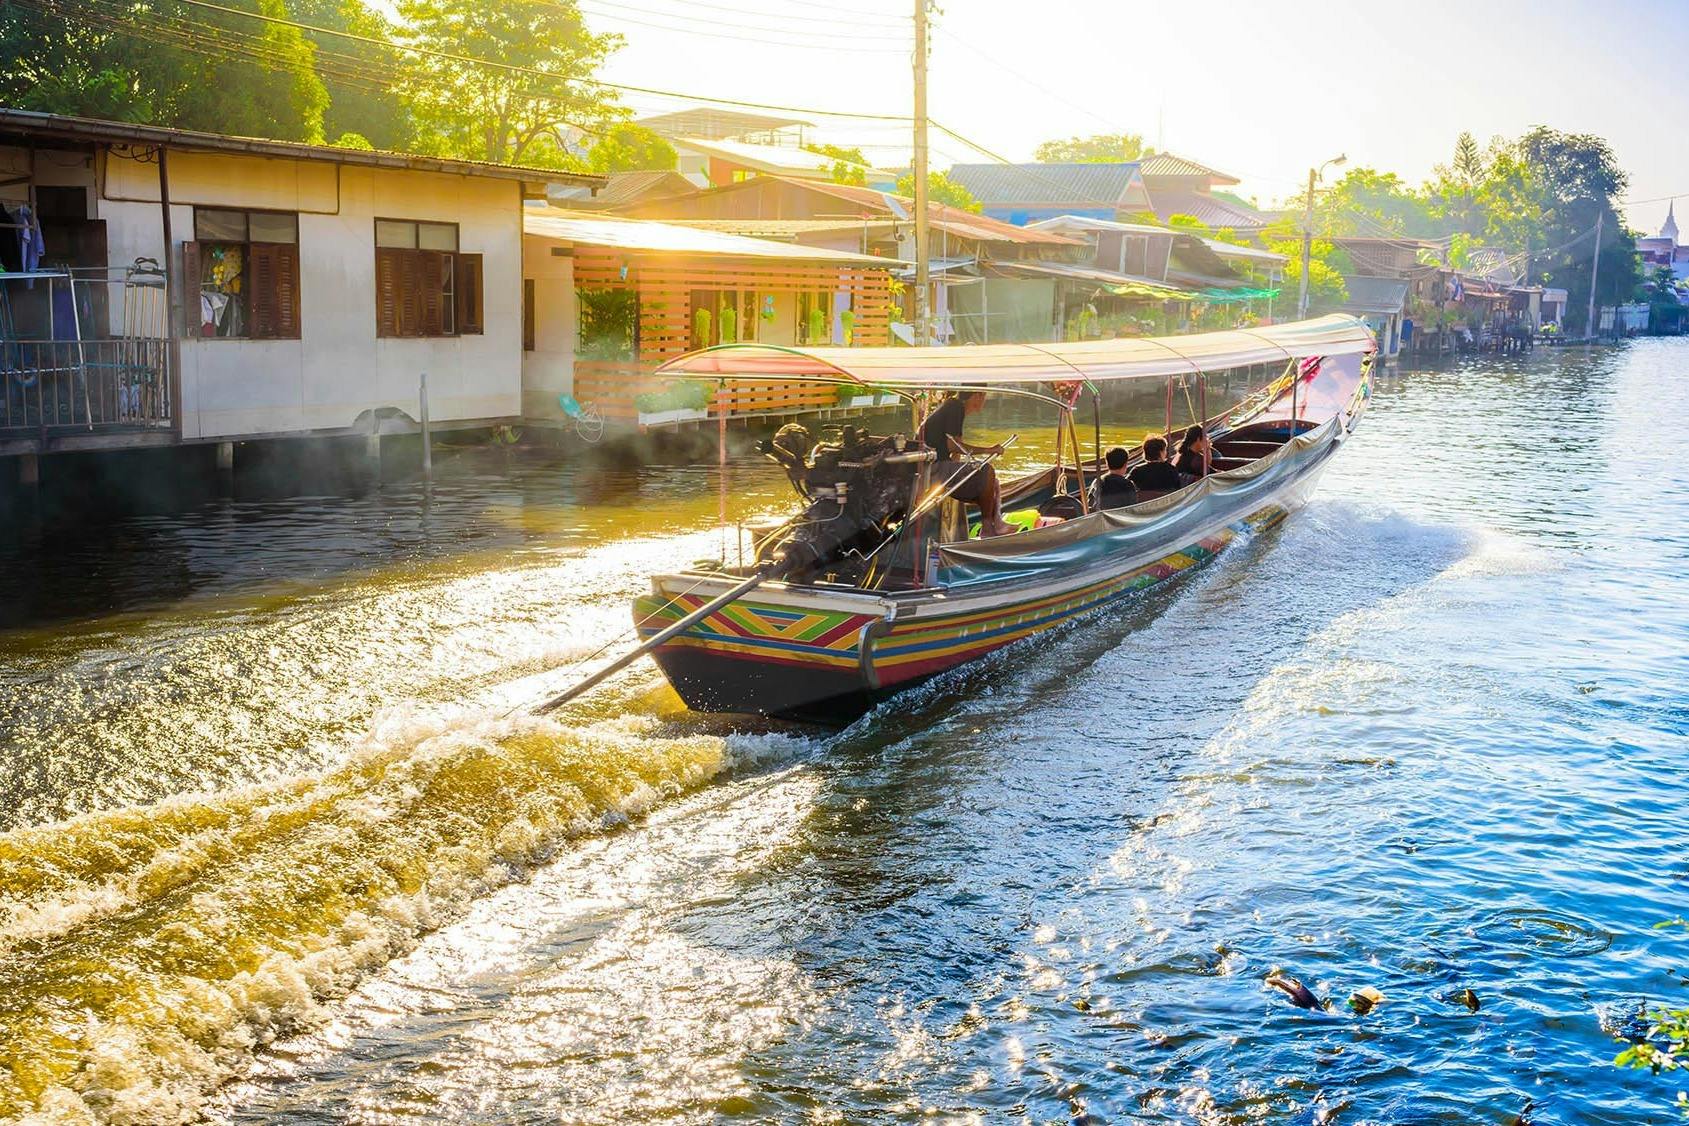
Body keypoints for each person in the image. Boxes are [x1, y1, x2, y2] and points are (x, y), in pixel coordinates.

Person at [921, 390, 1015, 538]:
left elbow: (956, 450)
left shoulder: (954, 407)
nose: (984, 401)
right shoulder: (955, 407)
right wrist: (988, 450)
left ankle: (997, 522)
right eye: (984, 396)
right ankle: (987, 528)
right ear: (978, 395)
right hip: (931, 468)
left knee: (993, 482)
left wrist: (961, 472)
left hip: (938, 465)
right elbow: (953, 446)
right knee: (987, 471)